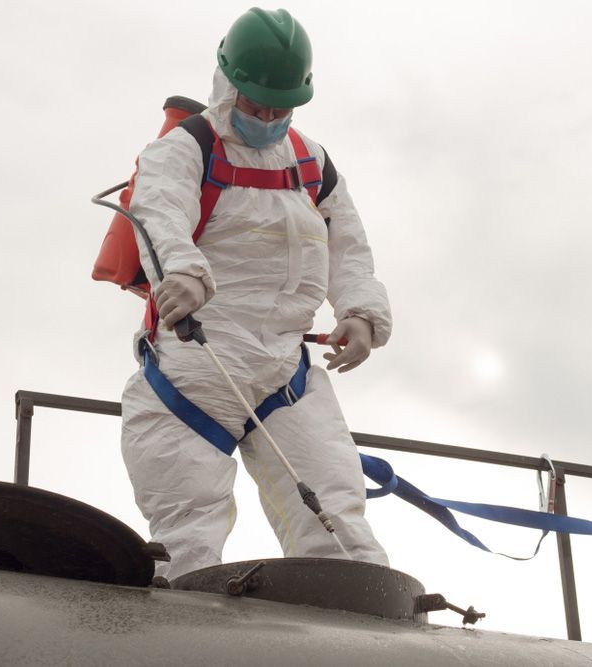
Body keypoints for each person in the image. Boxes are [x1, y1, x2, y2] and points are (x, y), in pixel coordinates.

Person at [120, 7, 391, 581]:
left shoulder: (312, 163)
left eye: (280, 106)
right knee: (186, 540)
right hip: (193, 366)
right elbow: (159, 212)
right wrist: (184, 273)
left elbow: (349, 246)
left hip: (284, 374)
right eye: (256, 103)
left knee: (340, 526)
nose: (268, 116)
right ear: (230, 84)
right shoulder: (185, 148)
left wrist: (362, 314)